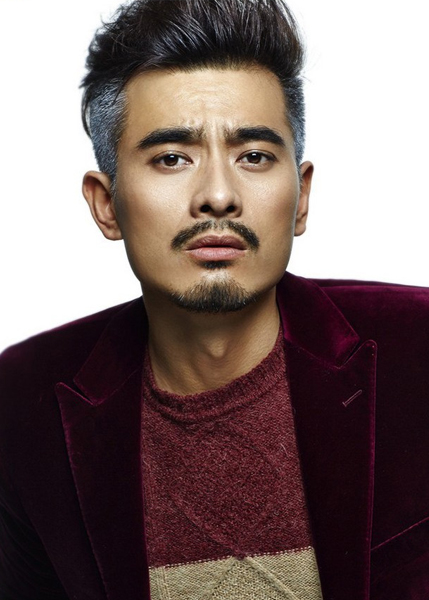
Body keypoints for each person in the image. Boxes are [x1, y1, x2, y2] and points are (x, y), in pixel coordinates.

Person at [0, 0, 428, 598]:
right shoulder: (22, 402)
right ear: (105, 204)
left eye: (254, 156)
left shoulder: (418, 351)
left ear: (301, 196)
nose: (219, 195)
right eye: (172, 158)